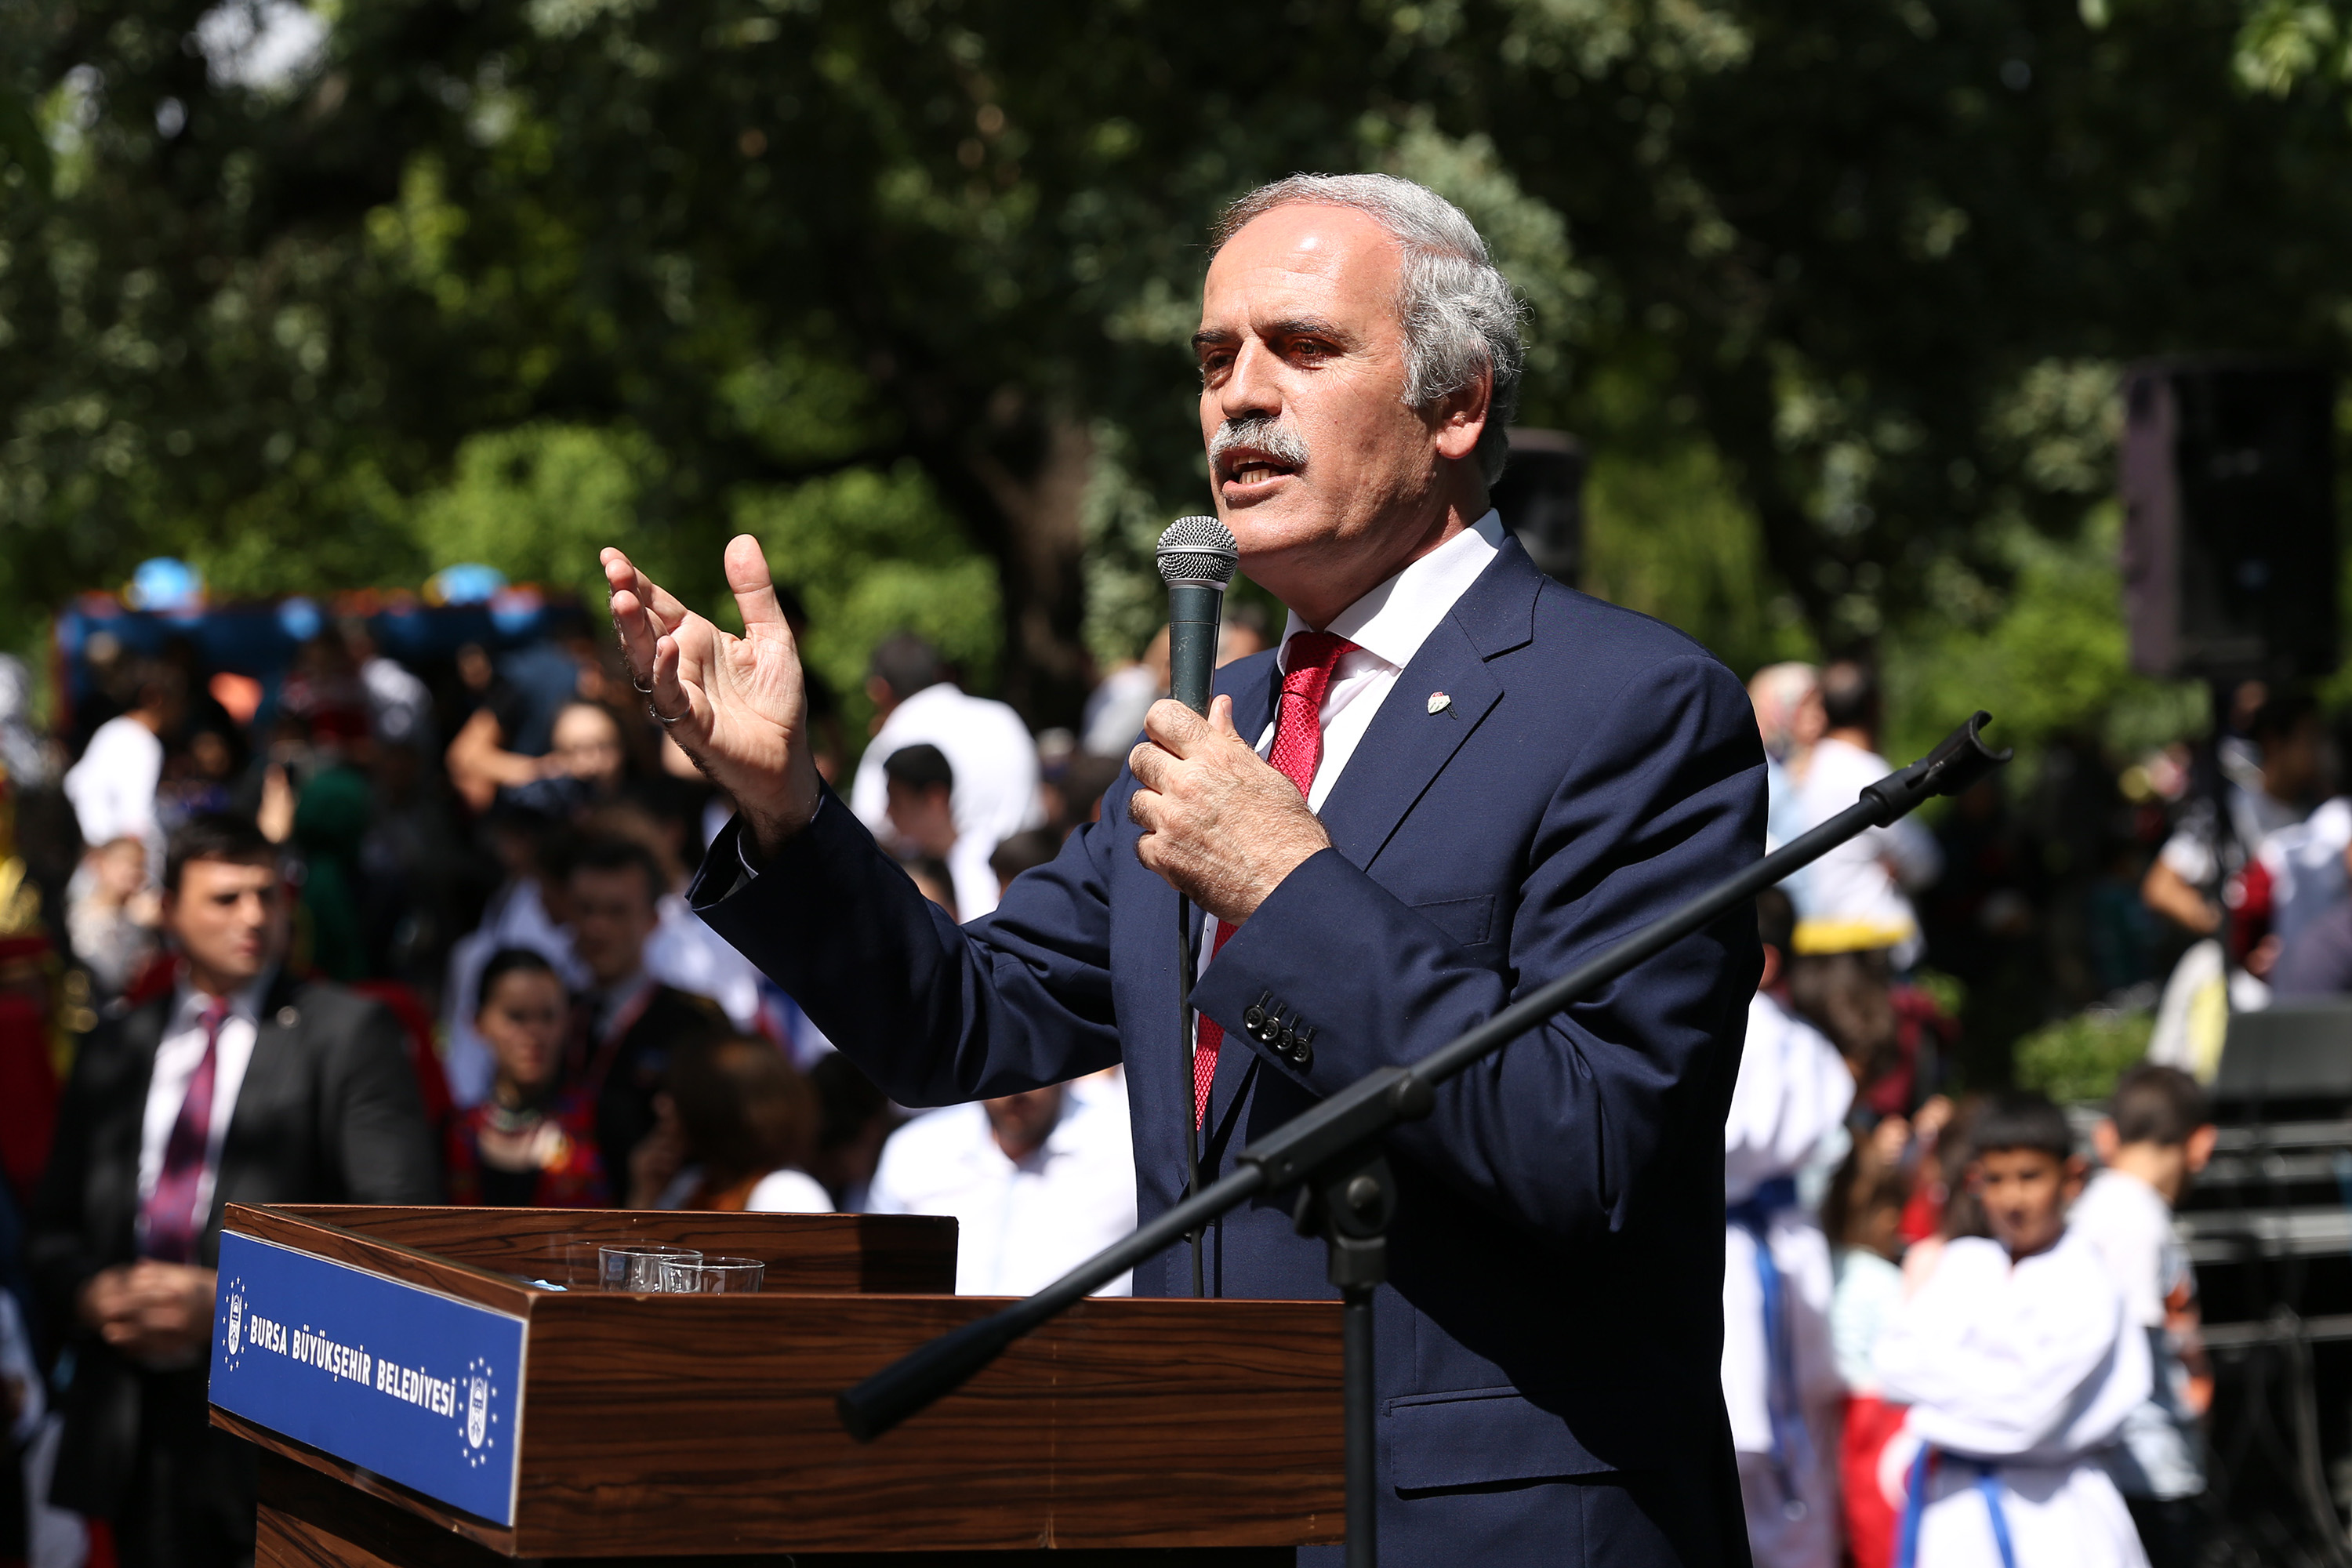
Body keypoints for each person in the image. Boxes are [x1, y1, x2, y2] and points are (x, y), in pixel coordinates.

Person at [607, 172, 1766, 1564]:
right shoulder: (1224, 717)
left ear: (1458, 404)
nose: (1239, 398)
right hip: (1212, 1499)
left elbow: (1595, 1149)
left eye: (1304, 347)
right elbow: (955, 1021)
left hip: (1486, 1530)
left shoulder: (1631, 705)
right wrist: (789, 808)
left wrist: (1289, 889)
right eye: (1214, 360)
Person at [27, 813, 441, 1568]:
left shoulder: (349, 1034)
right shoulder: (118, 1044)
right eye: (225, 898)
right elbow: (52, 1224)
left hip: (277, 1431)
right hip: (131, 1422)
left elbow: (399, 1238)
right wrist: (91, 1293)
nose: (253, 916)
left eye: (267, 896)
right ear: (168, 909)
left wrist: (230, 1305)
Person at [1873, 1094, 2151, 1568]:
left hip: (2057, 1514)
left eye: (2030, 1177)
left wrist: (1930, 1410)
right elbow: (1893, 1367)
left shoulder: (2087, 1279)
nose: (2012, 1200)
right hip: (1955, 1512)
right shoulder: (1963, 1263)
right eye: (1996, 1180)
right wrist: (2001, 1383)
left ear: (2072, 1177)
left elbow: (2029, 1415)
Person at [1724, 889, 1853, 1568]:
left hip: (1740, 1246)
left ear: (1763, 959)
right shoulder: (1806, 1044)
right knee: (1793, 1442)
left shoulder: (1747, 1032)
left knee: (1755, 1441)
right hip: (1785, 1246)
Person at [2068, 1067, 2216, 1568]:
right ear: (2202, 1143)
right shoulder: (2132, 1218)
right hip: (2142, 1473)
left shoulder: (2115, 1207)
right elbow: (2118, 1355)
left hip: (2140, 1468)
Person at [868, 1076, 1136, 1294]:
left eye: (1032, 1062)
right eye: (998, 1066)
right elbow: (877, 1272)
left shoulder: (1127, 1145)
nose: (1016, 1090)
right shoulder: (914, 1151)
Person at [564, 836, 730, 1182]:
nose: (597, 927)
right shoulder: (556, 1015)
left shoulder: (693, 1024)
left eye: (617, 912)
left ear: (653, 920)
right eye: (586, 909)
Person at [1782, 661, 1940, 967]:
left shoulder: (1807, 769)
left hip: (1823, 946)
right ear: (1875, 706)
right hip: (1879, 946)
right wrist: (1891, 865)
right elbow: (1926, 864)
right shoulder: (1867, 772)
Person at [847, 632, 1043, 870]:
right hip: (1030, 875)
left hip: (942, 888)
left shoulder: (890, 742)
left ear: (880, 690)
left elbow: (868, 826)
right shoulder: (1004, 717)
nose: (890, 811)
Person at [445, 948, 608, 1207]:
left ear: (568, 1021)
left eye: (548, 1016)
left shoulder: (601, 1121)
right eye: (516, 1016)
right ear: (478, 1022)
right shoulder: (452, 1134)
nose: (534, 1033)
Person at [629, 1036, 830, 1212]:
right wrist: (645, 1196)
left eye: (679, 1093)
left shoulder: (786, 1193)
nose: (661, 1105)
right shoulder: (689, 1187)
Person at [63, 666, 179, 854]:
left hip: (108, 854)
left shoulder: (113, 731)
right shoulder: (141, 742)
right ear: (155, 698)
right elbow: (136, 814)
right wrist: (108, 843)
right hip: (123, 856)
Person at [881, 743, 1000, 920]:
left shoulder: (991, 862)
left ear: (935, 799)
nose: (888, 812)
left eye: (897, 801)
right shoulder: (896, 869)